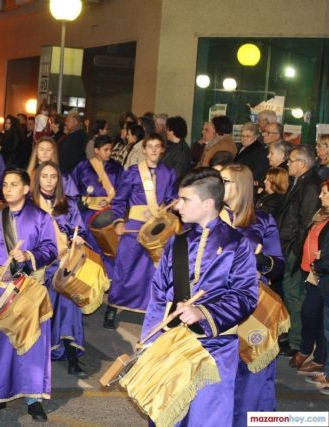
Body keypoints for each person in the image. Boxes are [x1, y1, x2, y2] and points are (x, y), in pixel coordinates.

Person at [141, 167, 258, 427]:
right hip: (171, 342)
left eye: (185, 200)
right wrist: (148, 341)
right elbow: (158, 294)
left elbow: (246, 296)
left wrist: (203, 313)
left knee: (207, 417)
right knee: (167, 414)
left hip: (215, 347)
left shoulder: (237, 244)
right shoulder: (176, 241)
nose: (177, 205)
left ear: (207, 203)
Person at [0, 168, 57, 421]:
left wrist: (28, 256)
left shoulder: (40, 217)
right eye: (4, 184)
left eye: (14, 184)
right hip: (1, 289)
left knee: (32, 344)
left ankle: (34, 398)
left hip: (28, 289)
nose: (8, 188)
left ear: (26, 188)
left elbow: (50, 248)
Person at [218, 164, 284, 426]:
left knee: (252, 375)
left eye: (224, 181)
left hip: (253, 306)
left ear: (240, 186)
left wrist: (258, 261)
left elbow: (277, 265)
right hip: (217, 305)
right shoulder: (209, 216)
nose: (218, 184)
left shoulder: (263, 220)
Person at [104, 133, 177, 328]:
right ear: (143, 150)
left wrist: (175, 203)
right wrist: (119, 221)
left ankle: (148, 309)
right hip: (134, 227)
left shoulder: (168, 173)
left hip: (156, 229)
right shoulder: (133, 172)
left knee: (150, 271)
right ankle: (112, 306)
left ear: (162, 150)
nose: (153, 150)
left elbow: (170, 198)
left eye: (157, 146)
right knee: (124, 267)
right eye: (150, 146)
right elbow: (119, 200)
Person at [31, 160, 88, 376]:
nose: (49, 181)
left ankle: (70, 351)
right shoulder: (31, 205)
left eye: (53, 176)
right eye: (44, 176)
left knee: (67, 292)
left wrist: (79, 239)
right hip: (39, 264)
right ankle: (63, 349)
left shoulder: (69, 204)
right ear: (38, 179)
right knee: (61, 289)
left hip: (65, 261)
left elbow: (80, 231)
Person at [277, 145, 321, 357]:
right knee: (289, 292)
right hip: (288, 244)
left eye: (291, 160)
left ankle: (296, 343)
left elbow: (305, 222)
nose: (287, 163)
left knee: (294, 294)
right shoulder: (300, 182)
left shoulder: (310, 186)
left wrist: (296, 249)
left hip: (296, 247)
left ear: (302, 164)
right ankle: (292, 338)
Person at [289, 181, 329, 376]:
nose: (320, 196)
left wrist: (320, 263)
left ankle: (316, 356)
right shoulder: (320, 214)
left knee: (314, 314)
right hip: (309, 270)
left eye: (324, 193)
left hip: (321, 273)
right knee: (314, 314)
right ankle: (314, 354)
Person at [71, 135, 123, 271]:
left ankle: (108, 277)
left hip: (109, 213)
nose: (109, 153)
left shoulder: (117, 168)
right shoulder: (82, 167)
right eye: (105, 149)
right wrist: (80, 203)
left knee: (109, 247)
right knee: (90, 246)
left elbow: (123, 190)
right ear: (96, 150)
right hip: (88, 214)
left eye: (110, 149)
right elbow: (72, 189)